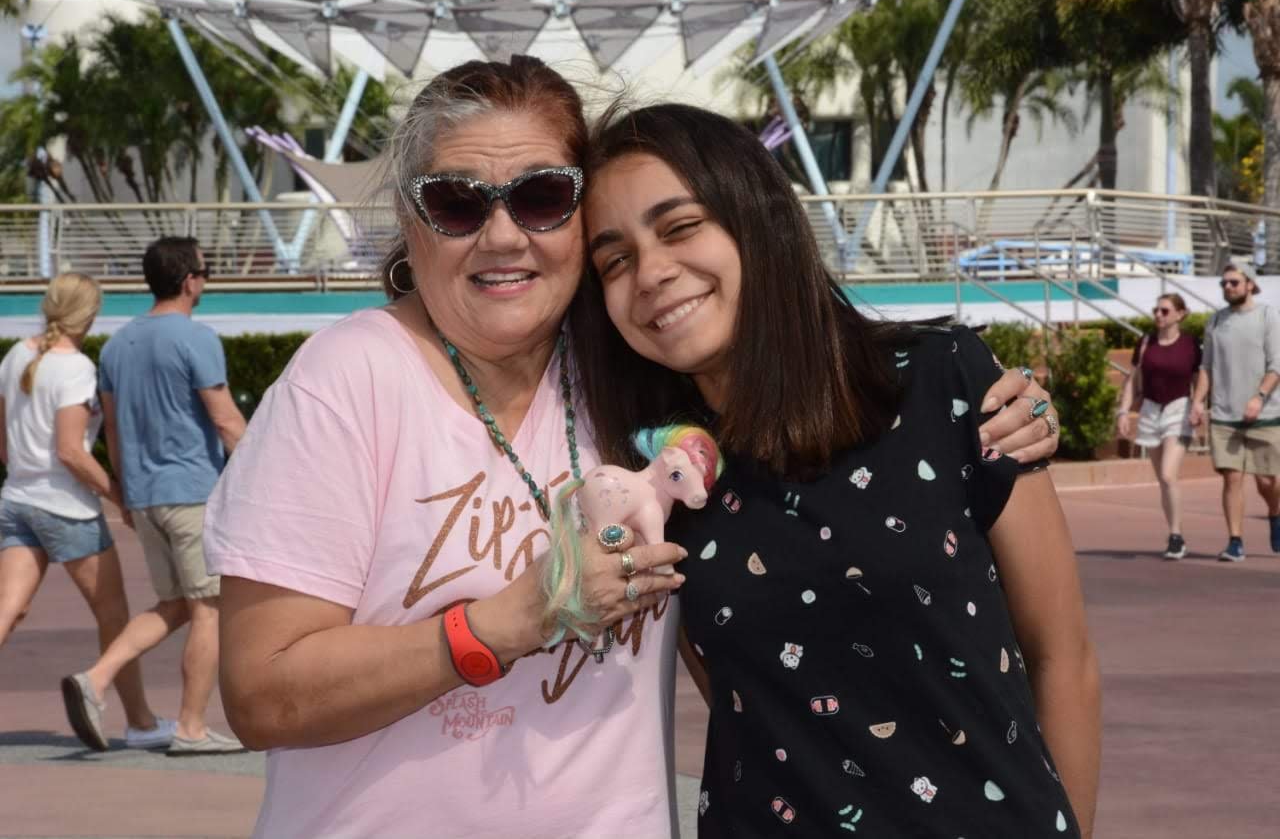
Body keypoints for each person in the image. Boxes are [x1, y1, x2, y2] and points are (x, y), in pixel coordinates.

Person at [202, 57, 1058, 838]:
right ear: (411, 218)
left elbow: (816, 415)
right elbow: (261, 690)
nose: (503, 236)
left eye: (541, 197)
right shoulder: (347, 380)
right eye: (458, 202)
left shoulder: (637, 383)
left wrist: (980, 406)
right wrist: (503, 623)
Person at [571, 102, 1100, 837]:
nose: (652, 272)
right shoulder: (658, 481)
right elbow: (737, 700)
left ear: (756, 219)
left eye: (681, 226)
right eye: (614, 260)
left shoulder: (945, 382)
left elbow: (1062, 658)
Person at [60, 237, 247, 756]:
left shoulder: (118, 345)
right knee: (208, 605)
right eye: (205, 273)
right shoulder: (196, 338)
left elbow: (113, 432)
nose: (205, 282)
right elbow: (226, 419)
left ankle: (95, 678)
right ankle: (190, 727)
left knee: (176, 604)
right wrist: (268, 473)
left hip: (144, 497)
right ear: (189, 280)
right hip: (191, 492)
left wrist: (123, 492)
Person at [0, 273, 171, 751]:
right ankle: (139, 722)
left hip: (16, 501)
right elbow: (72, 452)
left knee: (7, 611)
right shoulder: (74, 368)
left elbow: (3, 439)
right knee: (114, 615)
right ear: (88, 313)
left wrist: (24, 472)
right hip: (65, 509)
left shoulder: (16, 355)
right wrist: (118, 495)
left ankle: (139, 719)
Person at [1189, 263, 1280, 562]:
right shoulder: (1216, 321)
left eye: (1234, 282)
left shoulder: (1268, 316)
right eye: (1224, 283)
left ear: (1250, 284)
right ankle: (1235, 541)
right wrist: (1198, 402)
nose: (1228, 287)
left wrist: (1259, 397)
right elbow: (1206, 367)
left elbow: (1276, 366)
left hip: (1265, 413)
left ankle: (1276, 513)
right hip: (1225, 416)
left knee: (1268, 482)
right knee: (1232, 478)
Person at [1115, 294, 1201, 560]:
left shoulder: (1190, 345)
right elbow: (1132, 379)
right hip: (1151, 410)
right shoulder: (1145, 342)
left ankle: (1175, 536)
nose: (1159, 315)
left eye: (1165, 310)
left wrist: (1198, 405)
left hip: (1180, 409)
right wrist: (1123, 411)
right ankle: (1175, 532)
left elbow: (1200, 378)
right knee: (1164, 483)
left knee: (1167, 475)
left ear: (1180, 314)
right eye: (1156, 310)